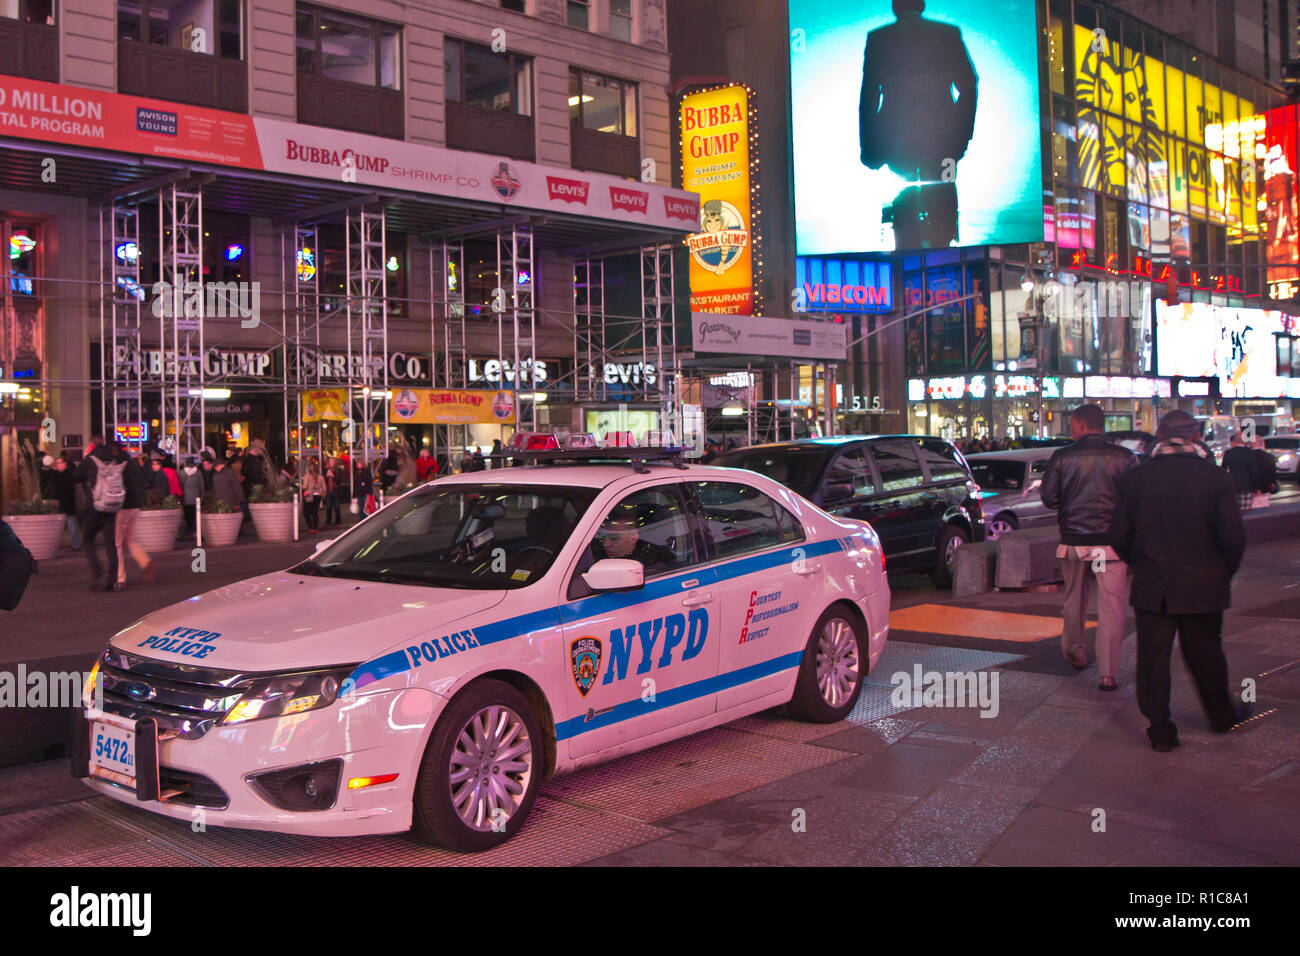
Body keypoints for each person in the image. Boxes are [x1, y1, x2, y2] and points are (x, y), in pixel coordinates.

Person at [1109, 410, 1252, 752]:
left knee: (1153, 660)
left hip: (1153, 584)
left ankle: (1161, 730)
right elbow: (1233, 539)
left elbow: (1117, 534)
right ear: (1194, 437)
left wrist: (1141, 563)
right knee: (1206, 654)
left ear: (1159, 436)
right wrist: (1220, 572)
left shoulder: (1136, 479)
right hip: (1204, 585)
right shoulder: (1215, 478)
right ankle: (1221, 716)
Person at [859, 0, 978, 249]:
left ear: (895, 6)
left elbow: (869, 98)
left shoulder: (879, 38)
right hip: (943, 144)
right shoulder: (947, 34)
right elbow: (969, 86)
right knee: (943, 212)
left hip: (897, 145)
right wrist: (960, 136)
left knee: (904, 221)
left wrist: (870, 147)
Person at [1040, 403, 1137, 689]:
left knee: (1075, 598)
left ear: (1081, 424)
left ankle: (1074, 650)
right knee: (1111, 605)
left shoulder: (1062, 456)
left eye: (1072, 424)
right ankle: (1107, 673)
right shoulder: (1125, 457)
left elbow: (1049, 498)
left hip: (1075, 542)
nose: (1071, 429)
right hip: (1111, 545)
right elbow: (1136, 497)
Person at [74, 437, 127, 591]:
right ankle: (113, 581)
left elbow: (75, 477)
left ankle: (97, 572)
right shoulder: (113, 460)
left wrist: (85, 462)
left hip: (95, 507)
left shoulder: (90, 461)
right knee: (110, 544)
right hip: (112, 507)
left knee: (88, 539)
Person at [590, 506, 676, 575]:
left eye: (614, 538)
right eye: (603, 538)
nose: (606, 545)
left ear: (633, 537)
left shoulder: (655, 562)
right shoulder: (592, 557)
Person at [116, 450, 155, 587]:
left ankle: (120, 578)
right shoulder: (136, 469)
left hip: (122, 508)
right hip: (135, 507)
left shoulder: (119, 469)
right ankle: (145, 561)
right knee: (131, 540)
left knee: (117, 544)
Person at [51, 454, 81, 550]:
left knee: (71, 524)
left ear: (65, 464)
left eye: (59, 463)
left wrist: (55, 473)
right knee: (70, 524)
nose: (57, 465)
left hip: (67, 504)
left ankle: (76, 545)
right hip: (65, 504)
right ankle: (75, 544)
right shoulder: (64, 474)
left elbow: (60, 487)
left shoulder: (66, 475)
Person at [1221, 432, 1258, 510]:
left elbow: (1223, 469)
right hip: (1246, 486)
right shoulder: (1249, 452)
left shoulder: (1228, 453)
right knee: (1245, 510)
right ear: (1243, 442)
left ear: (1234, 442)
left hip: (1232, 485)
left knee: (1233, 509)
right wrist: (1255, 487)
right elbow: (1253, 472)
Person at [300, 458, 326, 534]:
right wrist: (323, 494)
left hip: (309, 496)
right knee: (315, 512)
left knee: (306, 512)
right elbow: (324, 487)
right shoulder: (320, 476)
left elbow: (305, 486)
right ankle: (315, 528)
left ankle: (310, 528)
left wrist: (301, 487)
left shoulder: (307, 476)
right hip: (318, 496)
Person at [180, 456, 204, 537]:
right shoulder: (198, 472)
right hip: (196, 497)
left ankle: (189, 529)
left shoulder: (182, 472)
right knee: (195, 514)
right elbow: (201, 485)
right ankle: (195, 530)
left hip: (186, 497)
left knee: (187, 514)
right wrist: (202, 496)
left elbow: (181, 485)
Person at [1251, 439, 1277, 509]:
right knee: (1265, 508)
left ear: (1251, 444)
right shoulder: (1269, 456)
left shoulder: (1248, 457)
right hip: (1266, 486)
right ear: (1262, 444)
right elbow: (1273, 472)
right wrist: (1273, 483)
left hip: (1252, 488)